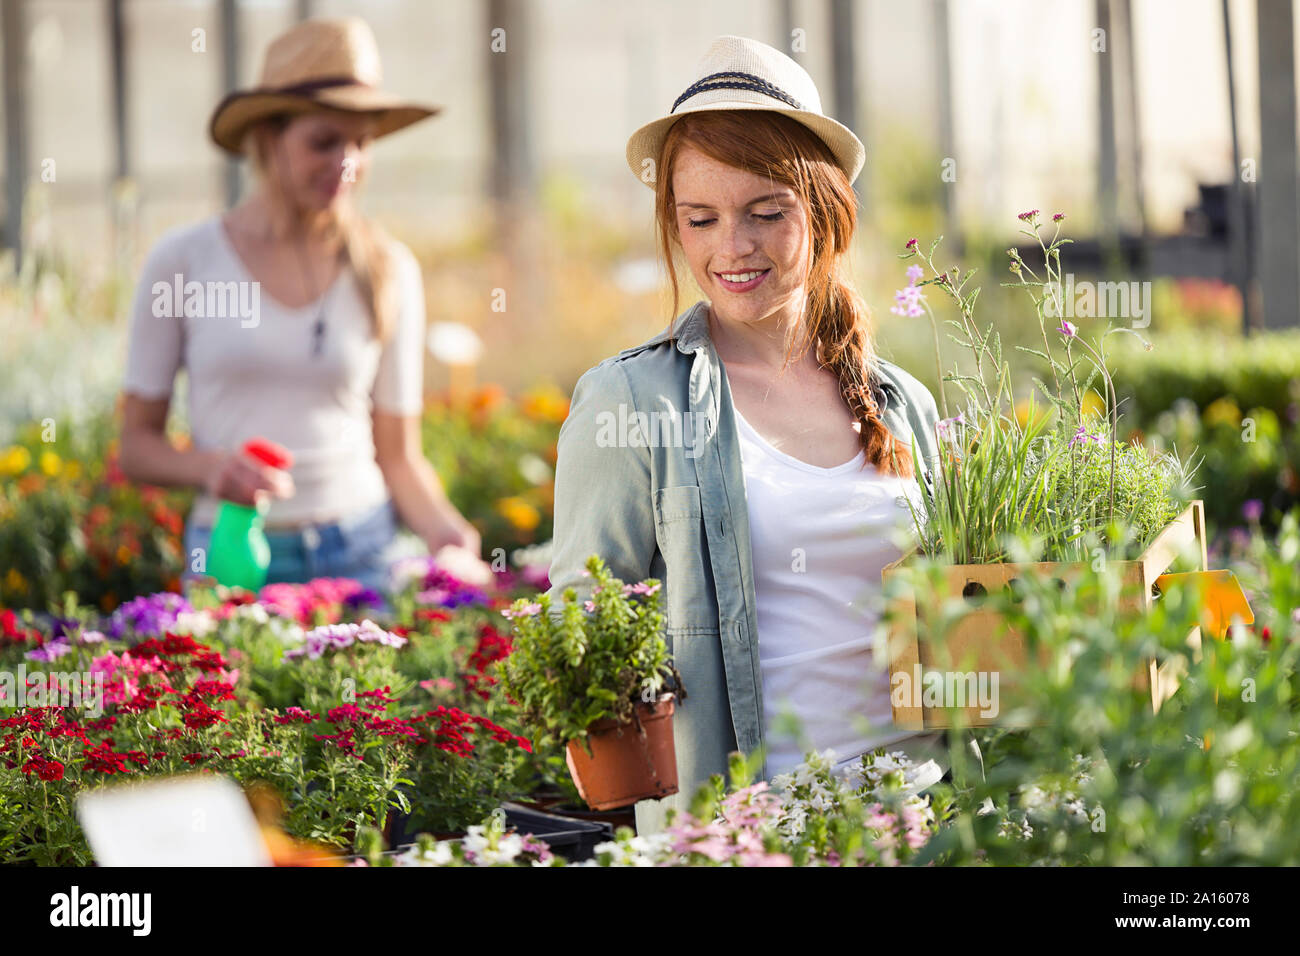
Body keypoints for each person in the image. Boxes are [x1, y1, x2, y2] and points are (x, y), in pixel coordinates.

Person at [546, 36, 952, 835]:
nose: (732, 246)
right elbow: (581, 632)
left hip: (922, 814)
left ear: (826, 212)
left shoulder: (899, 403)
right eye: (701, 218)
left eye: (766, 213)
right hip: (749, 832)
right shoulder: (632, 402)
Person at [120, 17, 490, 593]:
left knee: (368, 685)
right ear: (269, 139)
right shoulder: (184, 262)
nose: (348, 161)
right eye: (324, 141)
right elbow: (136, 446)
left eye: (362, 142)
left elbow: (399, 458)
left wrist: (454, 543)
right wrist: (213, 468)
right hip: (231, 555)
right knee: (225, 687)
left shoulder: (388, 267)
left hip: (362, 550)